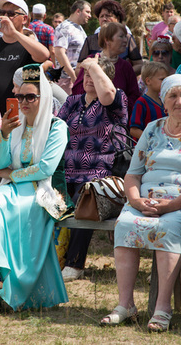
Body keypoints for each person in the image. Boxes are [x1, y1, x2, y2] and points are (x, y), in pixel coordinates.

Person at [102, 74, 181, 331]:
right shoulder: (153, 128)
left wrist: (171, 206)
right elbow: (133, 174)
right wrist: (136, 201)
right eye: (172, 96)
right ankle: (126, 305)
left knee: (167, 227)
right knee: (124, 224)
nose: (179, 101)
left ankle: (162, 308)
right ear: (163, 102)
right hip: (147, 200)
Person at [0, 64, 68, 314]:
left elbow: (45, 169)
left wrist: (13, 174)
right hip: (11, 188)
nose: (23, 102)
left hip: (42, 192)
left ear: (44, 98)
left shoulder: (57, 127)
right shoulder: (15, 124)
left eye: (30, 97)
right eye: (20, 97)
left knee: (12, 213)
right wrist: (4, 134)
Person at [57, 55, 128, 281]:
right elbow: (56, 131)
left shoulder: (116, 100)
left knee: (84, 201)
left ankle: (75, 264)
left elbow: (107, 94)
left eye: (95, 74)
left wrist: (93, 65)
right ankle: (52, 260)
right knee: (49, 202)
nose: (89, 79)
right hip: (66, 171)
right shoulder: (72, 101)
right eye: (86, 74)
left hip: (98, 174)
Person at [72, 22, 140, 109]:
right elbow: (77, 91)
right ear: (107, 40)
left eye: (125, 36)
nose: (125, 40)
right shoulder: (91, 62)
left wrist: (120, 107)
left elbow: (134, 96)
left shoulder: (126, 67)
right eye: (121, 36)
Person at [54, 0, 91, 94]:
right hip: (66, 80)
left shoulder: (79, 28)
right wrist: (73, 76)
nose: (90, 15)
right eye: (87, 12)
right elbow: (59, 53)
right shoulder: (64, 27)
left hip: (77, 79)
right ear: (78, 11)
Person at [129, 61, 170, 140]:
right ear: (148, 81)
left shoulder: (164, 101)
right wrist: (152, 139)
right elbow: (134, 130)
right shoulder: (141, 103)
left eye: (166, 79)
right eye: (162, 79)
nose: (165, 82)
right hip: (147, 146)